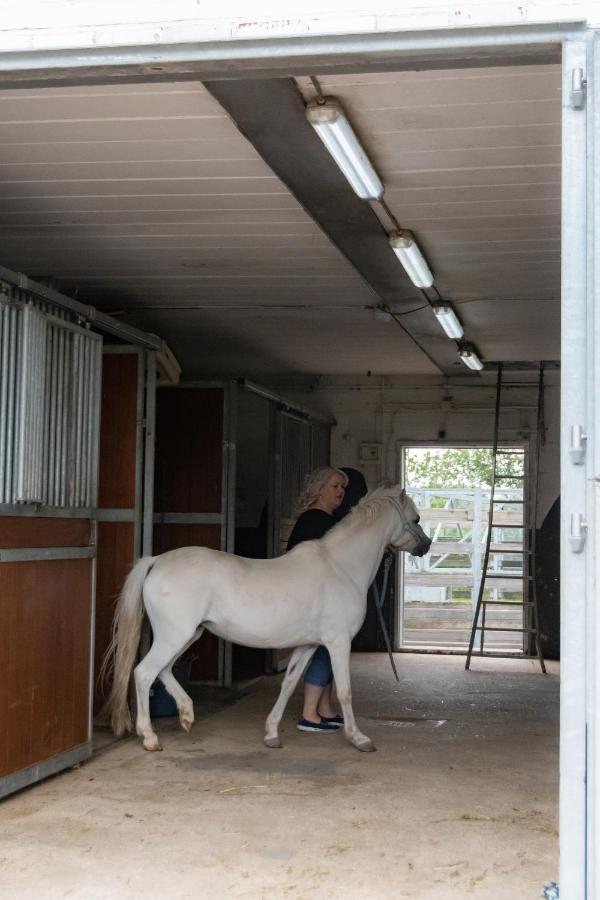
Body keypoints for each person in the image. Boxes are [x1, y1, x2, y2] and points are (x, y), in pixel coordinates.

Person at [286, 465, 349, 734]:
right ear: (319, 490)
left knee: (331, 650)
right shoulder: (316, 521)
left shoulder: (325, 521)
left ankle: (325, 709)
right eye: (335, 487)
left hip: (319, 596)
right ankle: (309, 714)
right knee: (326, 650)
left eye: (342, 488)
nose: (340, 492)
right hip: (312, 598)